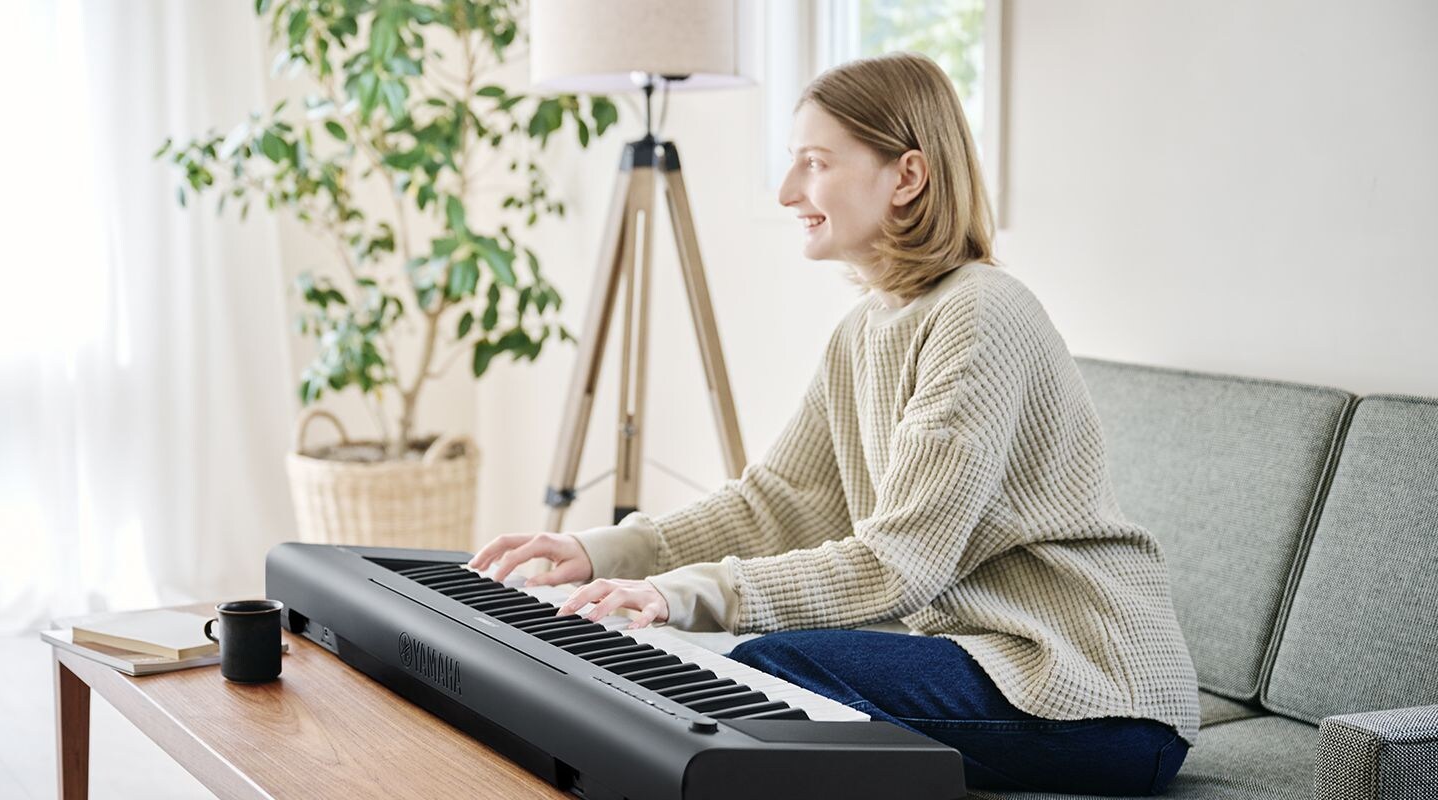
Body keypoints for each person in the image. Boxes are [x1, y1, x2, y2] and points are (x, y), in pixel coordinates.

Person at [468, 52, 1198, 795]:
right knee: (755, 684)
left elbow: (899, 562)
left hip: (1093, 691)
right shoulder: (865, 329)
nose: (788, 192)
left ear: (907, 176)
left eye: (814, 165)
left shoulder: (980, 314)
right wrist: (601, 552)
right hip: (996, 664)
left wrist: (680, 594)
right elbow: (775, 501)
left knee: (766, 676)